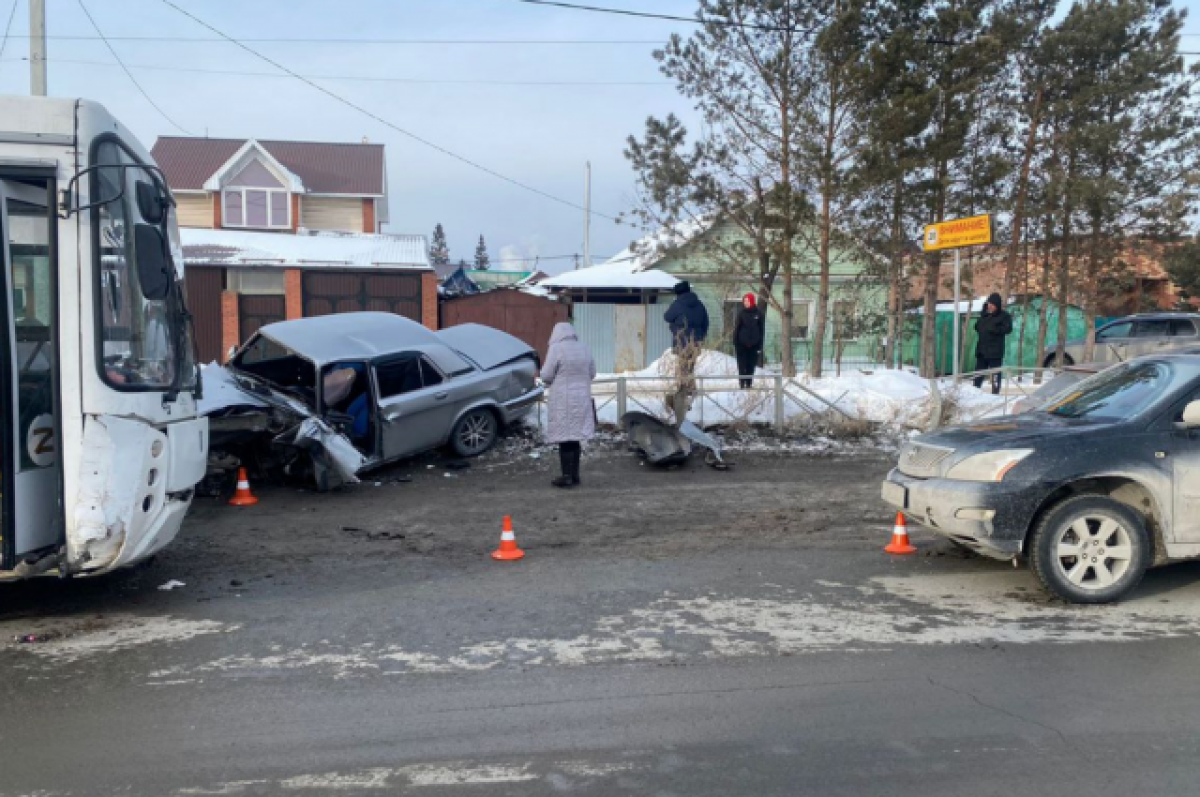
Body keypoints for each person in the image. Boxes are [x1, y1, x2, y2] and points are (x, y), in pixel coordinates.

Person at [541, 322, 596, 488]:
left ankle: (566, 476)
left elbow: (546, 375)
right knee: (575, 437)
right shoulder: (585, 348)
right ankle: (575, 475)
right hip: (581, 399)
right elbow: (592, 373)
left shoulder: (556, 349)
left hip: (563, 400)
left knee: (565, 438)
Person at [974, 292, 1013, 395]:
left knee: (995, 374)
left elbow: (1008, 329)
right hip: (981, 351)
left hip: (995, 352)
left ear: (997, 305)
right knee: (978, 374)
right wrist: (983, 316)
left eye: (992, 304)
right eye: (989, 303)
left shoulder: (1004, 316)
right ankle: (974, 392)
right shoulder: (984, 316)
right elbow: (977, 327)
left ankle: (995, 394)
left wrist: (995, 329)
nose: (990, 306)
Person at [732, 292, 764, 389]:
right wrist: (735, 342)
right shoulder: (741, 313)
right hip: (741, 344)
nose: (745, 303)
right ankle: (742, 384)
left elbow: (761, 330)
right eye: (744, 301)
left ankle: (749, 384)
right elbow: (737, 328)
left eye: (747, 301)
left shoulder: (759, 313)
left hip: (754, 344)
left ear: (752, 301)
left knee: (751, 365)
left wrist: (760, 345)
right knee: (742, 365)